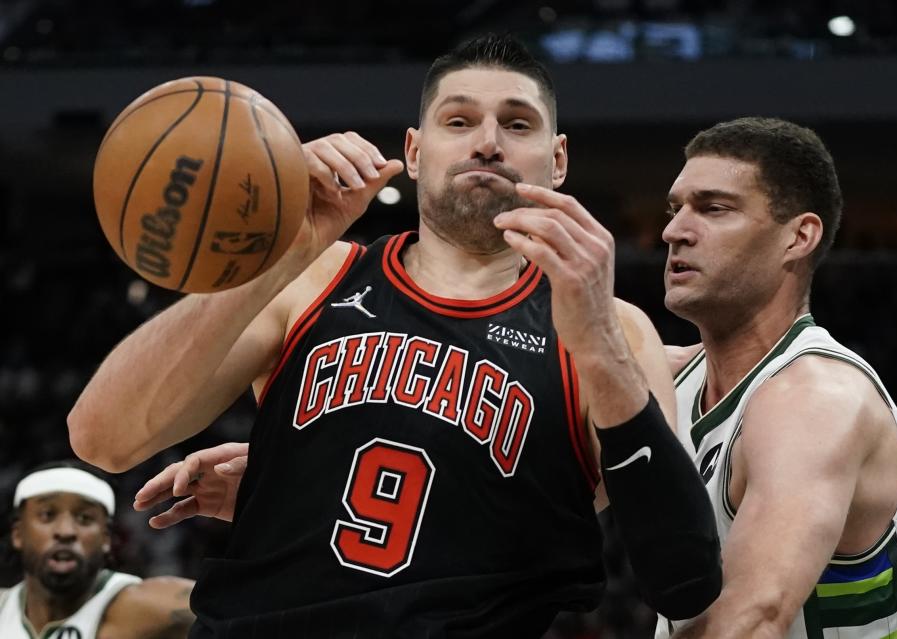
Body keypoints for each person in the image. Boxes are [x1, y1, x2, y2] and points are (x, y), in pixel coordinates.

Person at [68, 34, 721, 637]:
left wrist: (599, 347)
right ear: (413, 151)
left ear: (557, 160)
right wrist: (286, 251)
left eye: (517, 123)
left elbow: (683, 576)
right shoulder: (315, 274)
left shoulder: (613, 329)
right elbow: (103, 436)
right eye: (458, 120)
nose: (487, 142)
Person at [654, 117, 897, 638]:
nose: (674, 230)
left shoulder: (816, 397)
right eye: (675, 207)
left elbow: (750, 622)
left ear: (798, 236)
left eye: (713, 208)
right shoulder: (676, 383)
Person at [0, 460, 195, 639]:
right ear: (17, 534)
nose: (66, 531)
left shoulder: (149, 607)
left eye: (85, 518)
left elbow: (222, 606)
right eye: (47, 515)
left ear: (106, 539)